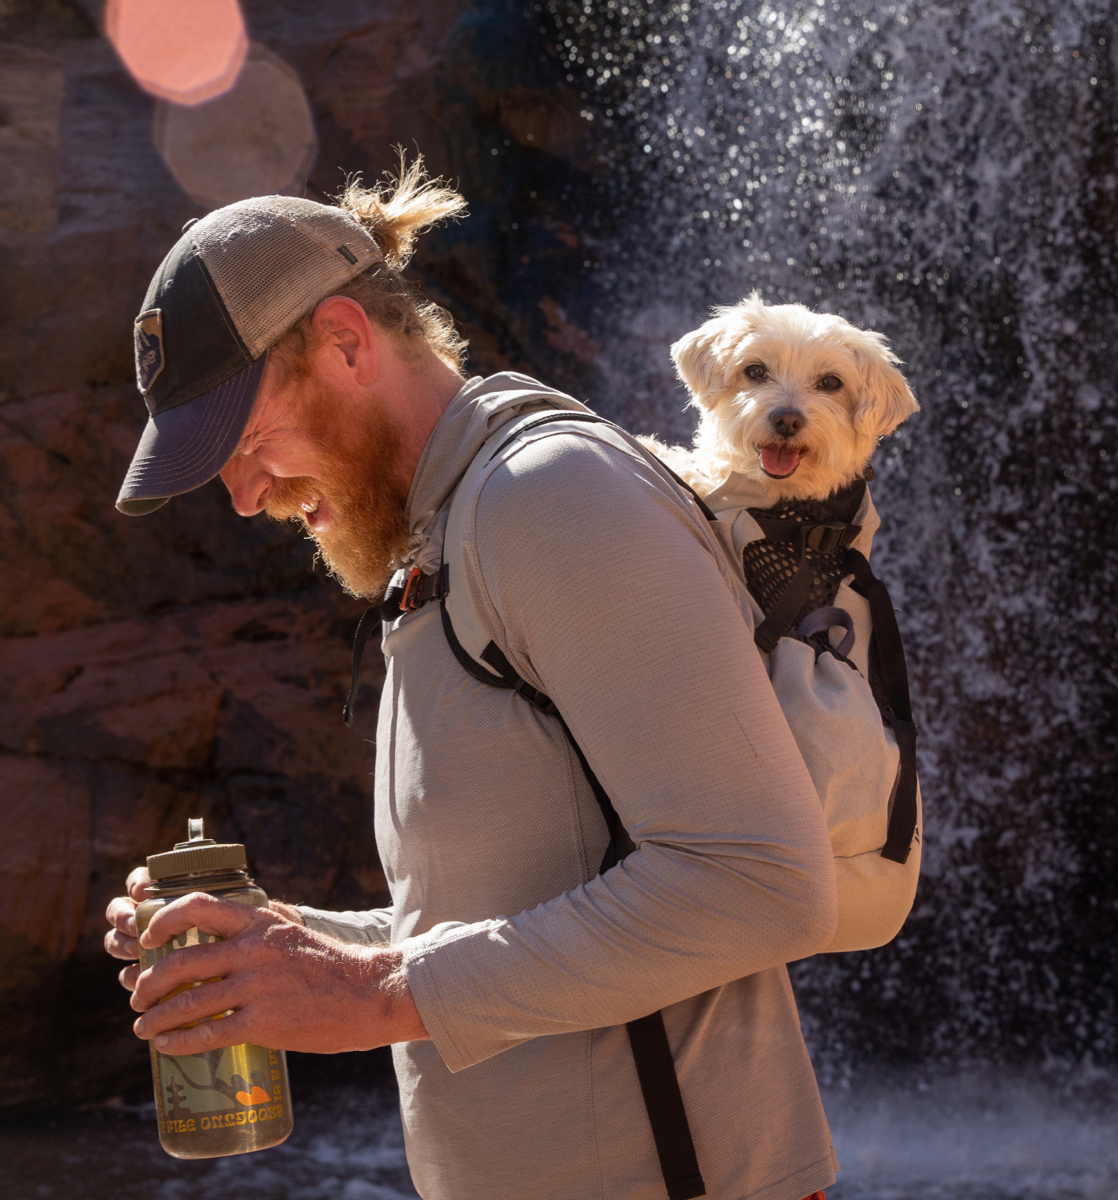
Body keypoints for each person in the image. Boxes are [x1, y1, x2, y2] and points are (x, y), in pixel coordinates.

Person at [104, 157, 839, 1200]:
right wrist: (285, 950)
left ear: (349, 342)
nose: (241, 494)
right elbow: (508, 919)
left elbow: (764, 880)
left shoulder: (550, 494)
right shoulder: (443, 538)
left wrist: (369, 992)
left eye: (242, 438)